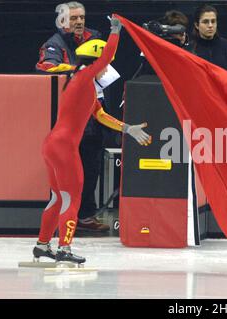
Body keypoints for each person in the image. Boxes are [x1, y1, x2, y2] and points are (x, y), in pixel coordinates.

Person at [33, 16, 152, 264]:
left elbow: (101, 115)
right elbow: (107, 57)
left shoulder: (83, 84)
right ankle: (64, 249)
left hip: (53, 145)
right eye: (104, 65)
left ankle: (43, 245)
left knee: (57, 198)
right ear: (95, 61)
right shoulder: (85, 76)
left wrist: (128, 128)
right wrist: (116, 30)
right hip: (65, 148)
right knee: (71, 199)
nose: (108, 69)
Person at [36, 2, 112, 232]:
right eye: (73, 18)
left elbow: (105, 61)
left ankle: (85, 215)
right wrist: (76, 69)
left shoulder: (95, 37)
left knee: (91, 168)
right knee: (66, 178)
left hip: (94, 111)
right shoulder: (54, 44)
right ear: (62, 20)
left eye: (81, 17)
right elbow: (45, 66)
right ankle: (63, 221)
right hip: (69, 118)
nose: (79, 22)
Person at [136, 10, 191, 77]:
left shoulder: (190, 53)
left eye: (183, 32)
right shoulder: (154, 53)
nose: (183, 36)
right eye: (178, 33)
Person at [191, 4, 227, 71]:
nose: (210, 25)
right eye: (205, 22)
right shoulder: (189, 49)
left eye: (213, 21)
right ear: (196, 25)